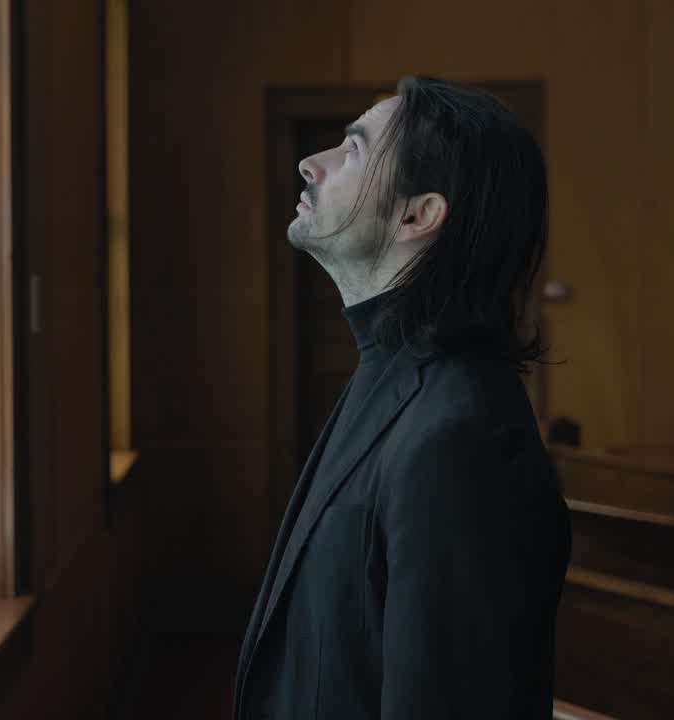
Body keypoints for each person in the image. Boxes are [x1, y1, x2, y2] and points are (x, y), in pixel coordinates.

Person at [233, 76, 572, 719]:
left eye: (353, 152)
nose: (311, 163)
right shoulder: (394, 371)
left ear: (418, 214)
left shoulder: (463, 437)